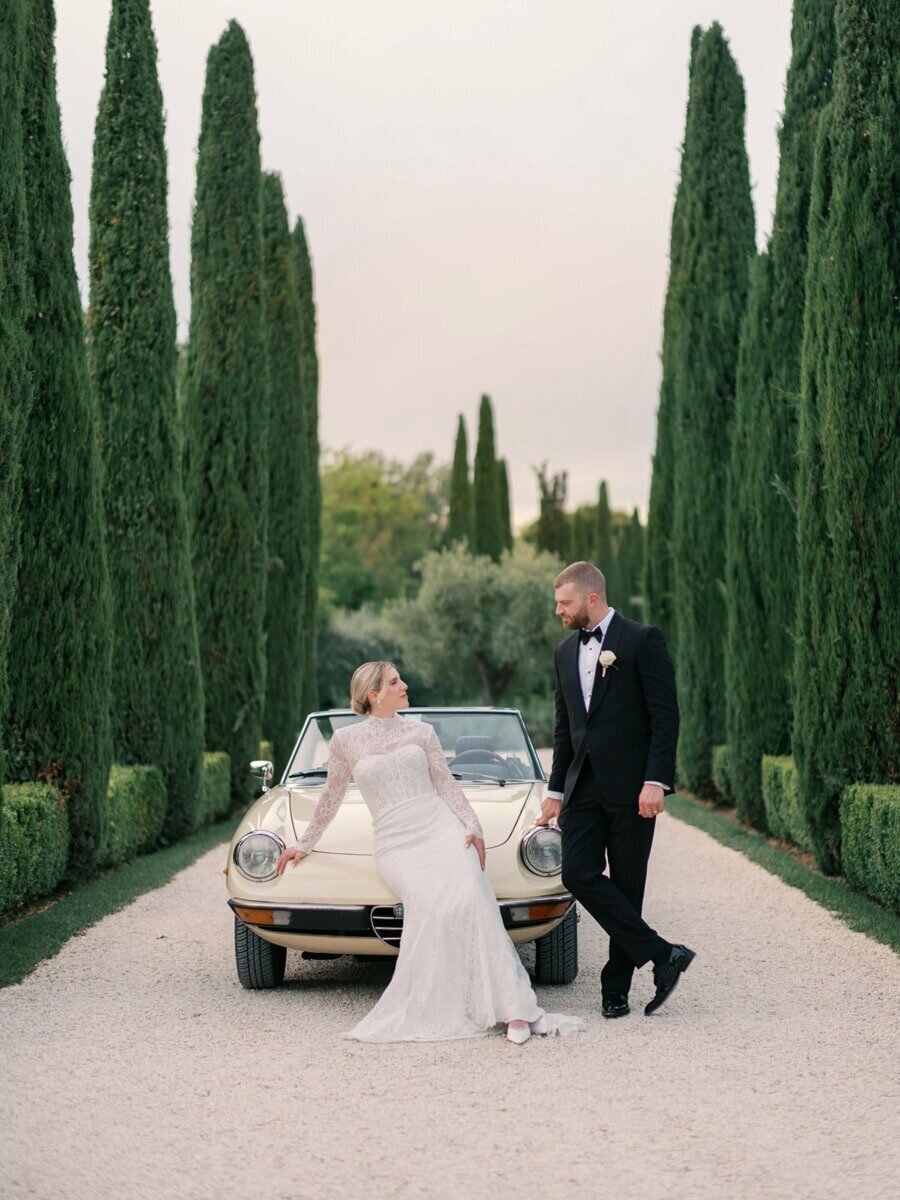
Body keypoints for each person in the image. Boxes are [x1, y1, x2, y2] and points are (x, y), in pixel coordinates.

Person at [276, 661, 583, 1044]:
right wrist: (304, 843)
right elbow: (331, 796)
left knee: (471, 894)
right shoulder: (346, 741)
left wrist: (472, 826)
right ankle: (455, 1000)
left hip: (440, 827)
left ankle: (514, 1007)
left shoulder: (422, 732)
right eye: (394, 681)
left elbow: (445, 783)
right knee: (428, 902)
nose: (404, 685)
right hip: (396, 841)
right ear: (374, 694)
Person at [535, 561, 694, 1018]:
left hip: (633, 790)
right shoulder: (565, 652)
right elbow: (565, 729)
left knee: (628, 886)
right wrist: (555, 792)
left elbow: (666, 716)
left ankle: (615, 989)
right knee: (576, 874)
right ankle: (665, 954)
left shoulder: (643, 640)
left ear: (591, 598)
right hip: (582, 788)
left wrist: (655, 781)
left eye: (564, 603)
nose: (558, 611)